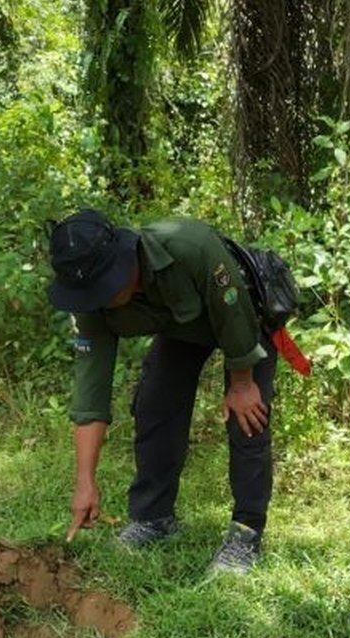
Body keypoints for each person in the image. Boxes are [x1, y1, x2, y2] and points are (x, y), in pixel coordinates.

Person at [48, 209, 276, 574]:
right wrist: (84, 483)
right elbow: (91, 394)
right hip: (183, 329)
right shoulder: (91, 301)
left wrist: (243, 383)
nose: (99, 298)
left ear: (123, 260)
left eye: (103, 287)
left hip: (243, 315)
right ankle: (153, 519)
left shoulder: (189, 247)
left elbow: (233, 314)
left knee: (247, 416)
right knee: (154, 403)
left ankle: (245, 533)